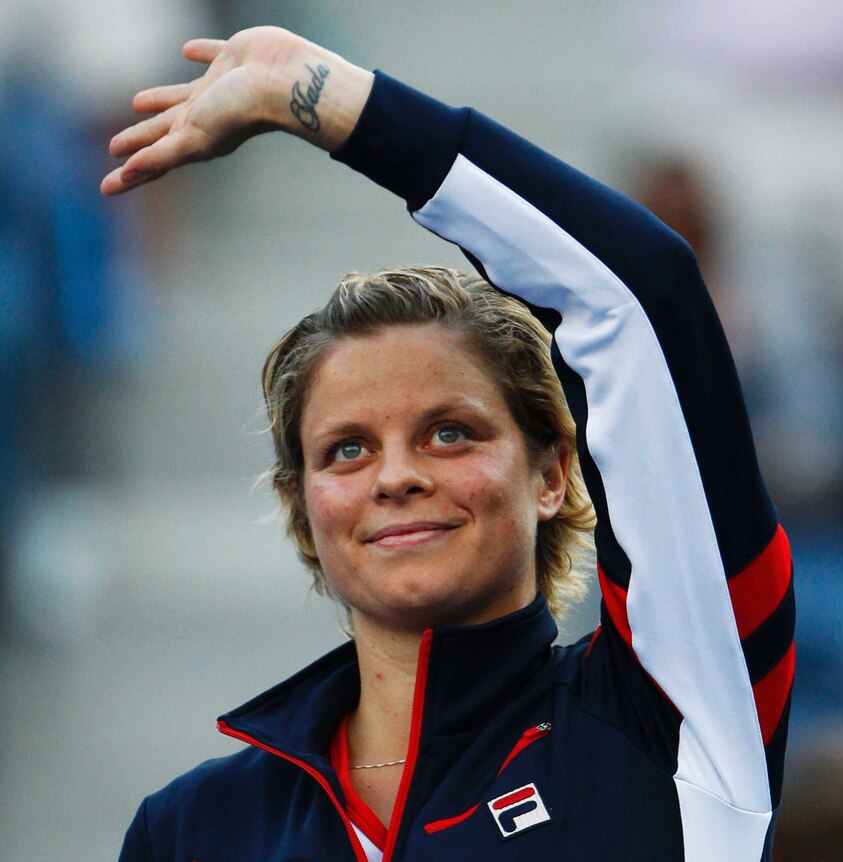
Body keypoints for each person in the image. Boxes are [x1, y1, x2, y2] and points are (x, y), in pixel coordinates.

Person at [103, 26, 795, 862]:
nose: (395, 477)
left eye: (448, 433)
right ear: (304, 506)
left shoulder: (671, 718)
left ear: (551, 473)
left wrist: (328, 100)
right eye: (347, 451)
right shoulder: (195, 829)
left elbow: (641, 297)